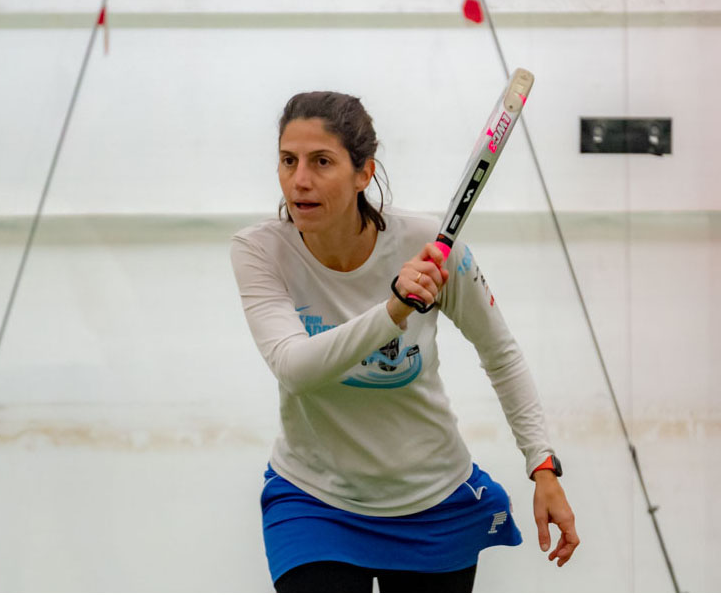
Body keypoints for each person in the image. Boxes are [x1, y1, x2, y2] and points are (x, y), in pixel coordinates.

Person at [230, 91, 579, 593]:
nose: (299, 179)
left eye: (321, 161)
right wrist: (393, 310)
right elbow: (295, 369)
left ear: (364, 173)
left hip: (433, 504)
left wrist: (542, 465)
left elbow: (500, 354)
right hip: (313, 500)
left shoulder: (428, 243)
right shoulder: (259, 250)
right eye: (288, 160)